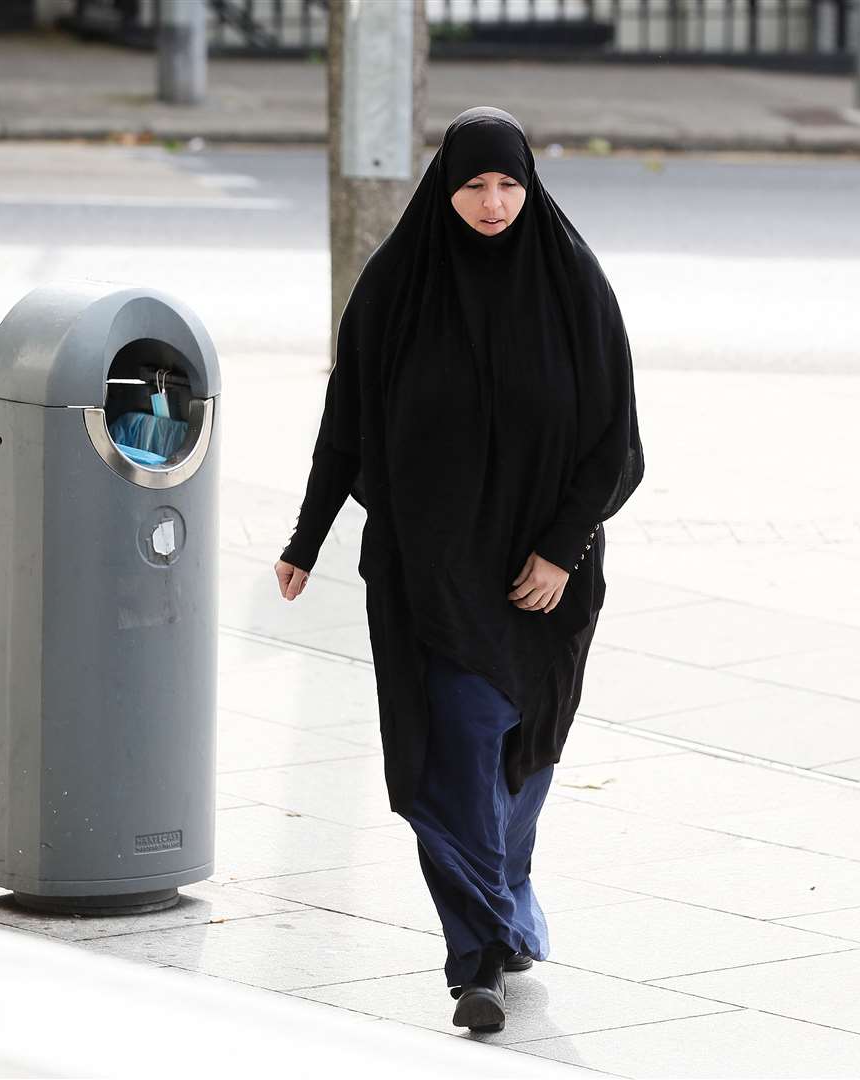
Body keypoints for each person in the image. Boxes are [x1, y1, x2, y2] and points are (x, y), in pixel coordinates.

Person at [273, 107, 643, 1032]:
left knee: (523, 756)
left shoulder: (572, 283)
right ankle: (475, 956)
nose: (491, 203)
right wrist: (306, 539)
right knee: (455, 749)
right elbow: (345, 423)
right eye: (474, 184)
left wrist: (561, 548)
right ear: (446, 187)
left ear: (531, 186)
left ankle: (507, 903)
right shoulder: (398, 284)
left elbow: (616, 443)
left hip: (544, 578)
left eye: (508, 184)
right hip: (427, 572)